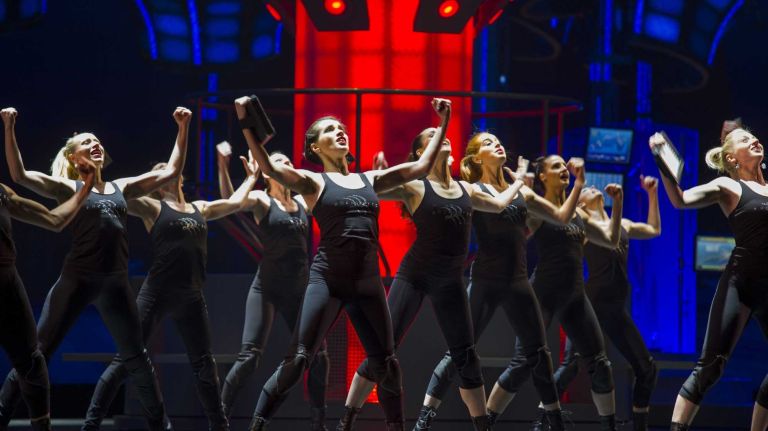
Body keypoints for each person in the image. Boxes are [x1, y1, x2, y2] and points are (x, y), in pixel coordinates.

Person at [236, 96, 451, 431]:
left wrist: (444, 122)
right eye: (330, 130)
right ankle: (257, 424)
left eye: (342, 129)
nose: (340, 133)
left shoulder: (371, 180)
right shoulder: (314, 182)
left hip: (367, 283)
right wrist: (247, 124)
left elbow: (421, 167)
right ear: (314, 147)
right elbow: (269, 168)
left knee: (387, 364)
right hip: (328, 280)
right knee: (299, 360)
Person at [0, 106, 191, 430]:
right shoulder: (69, 188)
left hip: (115, 283)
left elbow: (171, 172)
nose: (95, 144)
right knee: (37, 354)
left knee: (137, 357)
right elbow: (19, 176)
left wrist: (183, 128)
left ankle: (162, 426)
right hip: (78, 278)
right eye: (87, 142)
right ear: (74, 158)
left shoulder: (123, 187)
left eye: (97, 140)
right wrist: (8, 127)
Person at [339, 129, 531, 431]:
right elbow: (368, 189)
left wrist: (519, 179)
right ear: (420, 153)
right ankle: (347, 419)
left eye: (442, 133)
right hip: (415, 274)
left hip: (450, 280)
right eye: (432, 135)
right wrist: (378, 170)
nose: (442, 136)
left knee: (467, 355)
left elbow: (499, 204)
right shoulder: (415, 185)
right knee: (383, 349)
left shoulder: (468, 189)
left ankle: (482, 426)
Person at [415, 133, 586, 431]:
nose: (497, 144)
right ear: (476, 158)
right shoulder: (471, 188)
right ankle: (424, 419)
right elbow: (495, 206)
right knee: (459, 351)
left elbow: (560, 216)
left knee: (539, 353)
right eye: (488, 143)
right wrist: (520, 182)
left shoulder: (522, 192)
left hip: (517, 280)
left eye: (498, 140)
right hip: (485, 279)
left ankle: (554, 419)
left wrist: (579, 184)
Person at [82, 156, 258, 431]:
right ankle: (91, 424)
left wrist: (250, 178)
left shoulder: (199, 207)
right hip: (157, 292)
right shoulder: (152, 207)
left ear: (180, 176)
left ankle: (219, 425)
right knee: (126, 359)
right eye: (158, 170)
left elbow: (234, 203)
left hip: (192, 296)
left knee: (204, 365)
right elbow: (117, 192)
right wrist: (92, 174)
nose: (165, 171)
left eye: (167, 167)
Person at [650, 121, 768, 431]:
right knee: (711, 366)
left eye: (754, 136)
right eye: (745, 139)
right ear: (732, 158)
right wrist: (663, 162)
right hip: (740, 284)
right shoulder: (729, 187)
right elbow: (680, 200)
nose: (754, 140)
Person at [217, 147, 330, 431]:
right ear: (268, 172)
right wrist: (222, 164)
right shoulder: (261, 200)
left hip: (299, 289)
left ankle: (318, 422)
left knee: (318, 355)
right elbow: (231, 202)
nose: (286, 165)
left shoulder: (304, 203)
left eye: (288, 161)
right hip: (266, 287)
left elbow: (333, 196)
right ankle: (219, 417)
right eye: (279, 162)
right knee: (250, 356)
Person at [513, 154, 624, 431]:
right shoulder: (538, 205)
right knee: (524, 362)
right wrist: (579, 183)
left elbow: (610, 239)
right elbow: (559, 219)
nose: (564, 169)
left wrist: (618, 203)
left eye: (565, 166)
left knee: (599, 364)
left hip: (573, 293)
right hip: (544, 290)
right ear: (542, 176)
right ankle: (491, 421)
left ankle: (608, 426)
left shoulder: (579, 213)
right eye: (556, 166)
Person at [552, 176, 661, 431]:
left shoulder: (621, 223)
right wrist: (618, 201)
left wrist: (652, 194)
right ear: (579, 203)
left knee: (647, 368)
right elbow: (600, 234)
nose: (592, 187)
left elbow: (654, 229)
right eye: (586, 189)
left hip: (614, 309)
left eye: (591, 186)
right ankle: (542, 420)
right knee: (570, 367)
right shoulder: (584, 225)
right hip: (588, 306)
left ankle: (639, 426)